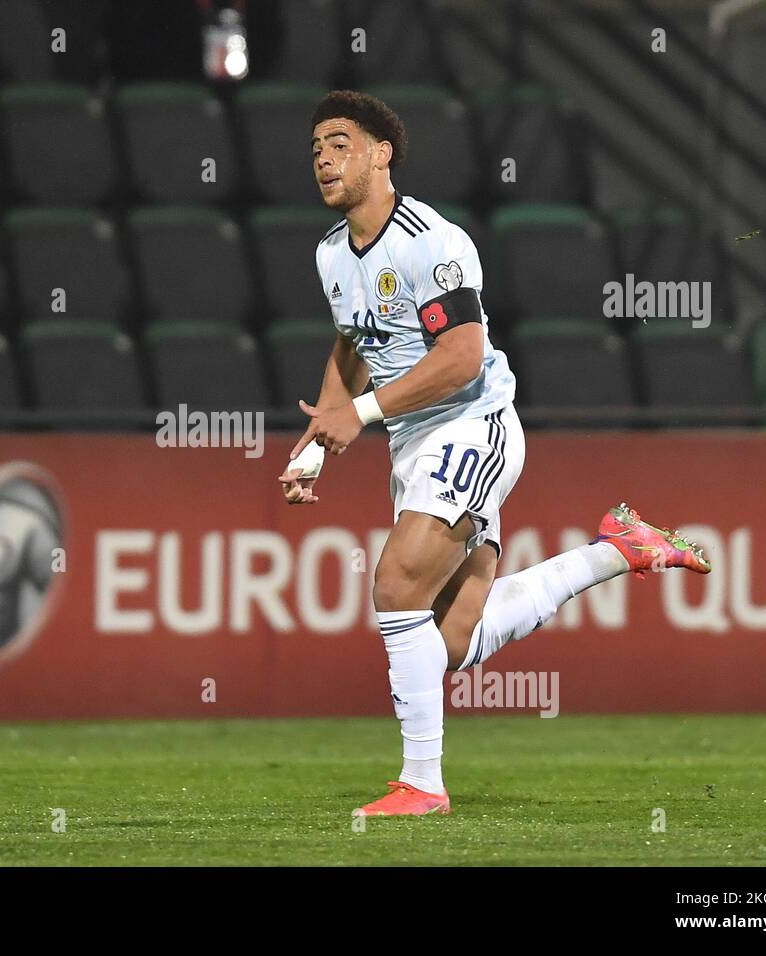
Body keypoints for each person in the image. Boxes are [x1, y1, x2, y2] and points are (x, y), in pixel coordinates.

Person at [278, 91, 712, 816]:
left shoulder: (432, 241)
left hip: (472, 425)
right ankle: (617, 551)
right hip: (413, 442)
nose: (322, 156)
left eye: (340, 142)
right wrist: (320, 446)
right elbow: (356, 342)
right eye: (316, 145)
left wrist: (357, 414)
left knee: (393, 589)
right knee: (446, 642)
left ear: (382, 154)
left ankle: (422, 785)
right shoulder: (331, 255)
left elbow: (462, 357)